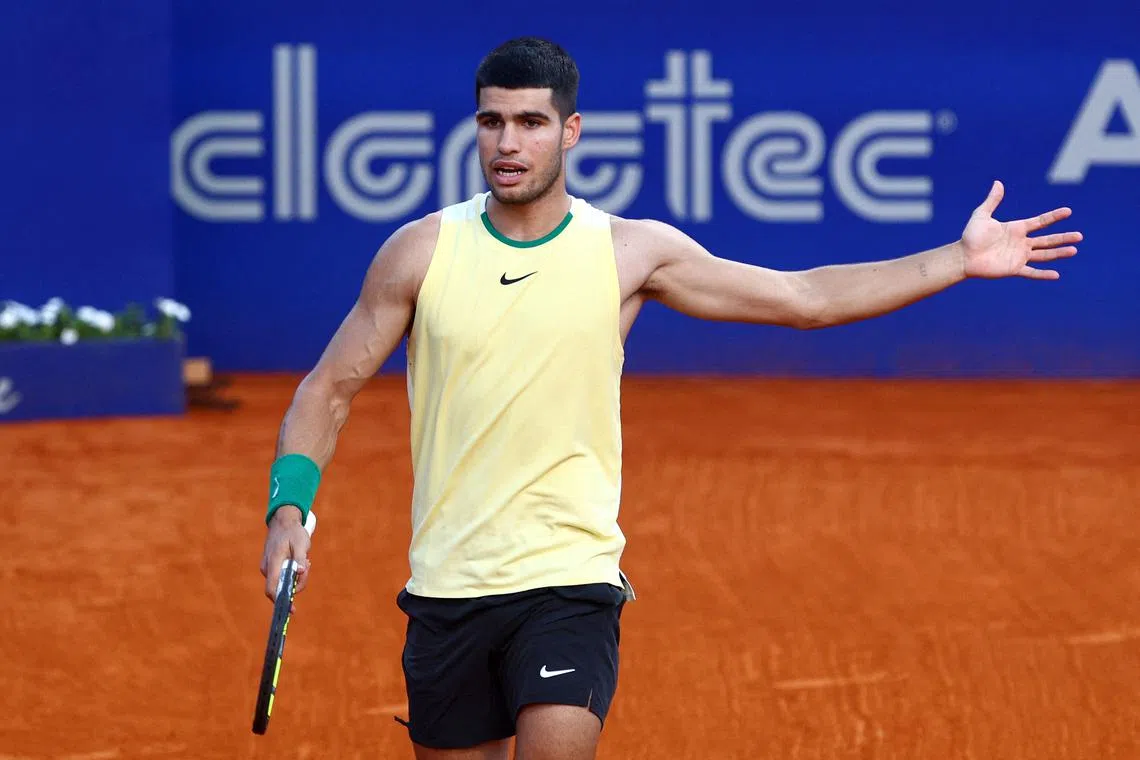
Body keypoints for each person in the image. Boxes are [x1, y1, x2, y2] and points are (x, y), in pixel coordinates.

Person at [258, 36, 1080, 760]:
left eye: (531, 123)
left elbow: (805, 298)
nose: (508, 142)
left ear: (569, 132)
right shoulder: (420, 252)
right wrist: (288, 513)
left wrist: (956, 260)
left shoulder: (628, 253)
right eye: (491, 122)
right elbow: (328, 388)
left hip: (568, 580)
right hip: (448, 586)